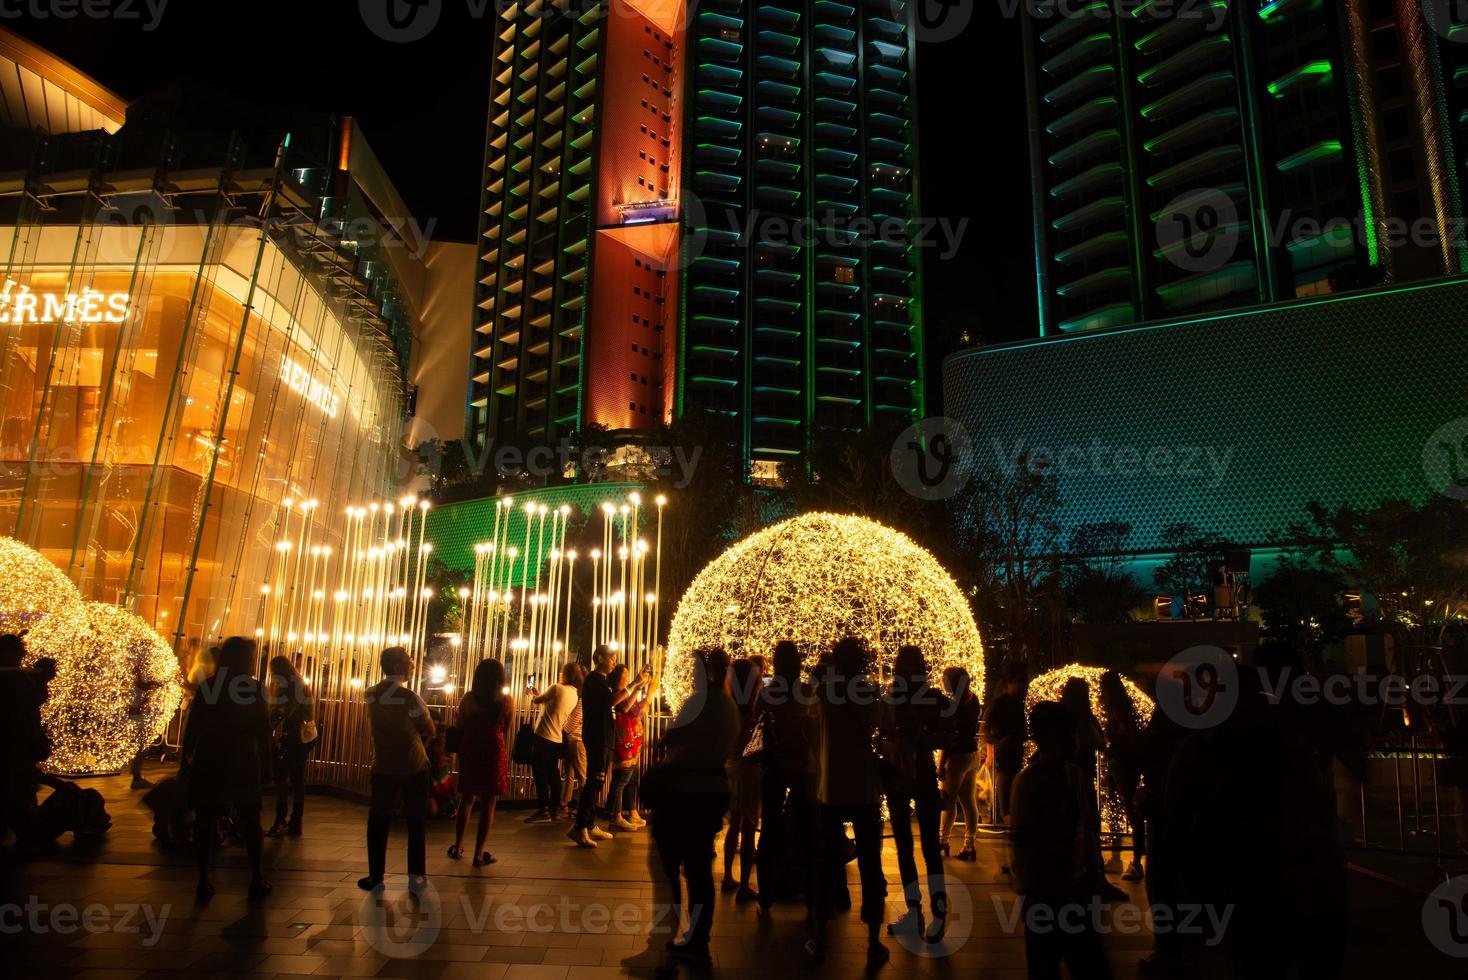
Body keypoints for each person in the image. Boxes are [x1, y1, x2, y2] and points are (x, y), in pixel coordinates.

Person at [648, 647, 741, 965]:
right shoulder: (729, 705)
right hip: (713, 790)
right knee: (699, 868)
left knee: (669, 864)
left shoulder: (699, 701)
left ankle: (673, 930)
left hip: (685, 792)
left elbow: (671, 740)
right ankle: (698, 937)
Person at [1011, 701, 1112, 980]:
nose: (1075, 741)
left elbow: (1086, 826)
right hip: (1047, 891)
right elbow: (1023, 845)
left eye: (1073, 734)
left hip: (1070, 888)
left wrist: (1091, 871)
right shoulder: (1032, 782)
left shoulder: (1072, 775)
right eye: (1068, 734)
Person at [809, 637, 889, 967]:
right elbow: (885, 727)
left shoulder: (824, 691)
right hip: (866, 789)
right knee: (871, 865)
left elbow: (811, 726)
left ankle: (821, 939)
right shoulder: (869, 692)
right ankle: (873, 940)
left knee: (827, 863)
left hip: (832, 788)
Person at [180, 635, 273, 902]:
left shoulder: (210, 686)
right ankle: (256, 876)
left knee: (205, 819)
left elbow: (194, 727)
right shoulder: (253, 689)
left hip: (210, 757)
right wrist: (267, 767)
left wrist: (185, 762)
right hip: (242, 758)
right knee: (251, 818)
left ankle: (204, 879)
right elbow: (262, 731)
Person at [881, 646, 950, 943]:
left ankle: (930, 911)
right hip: (906, 774)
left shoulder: (911, 697)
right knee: (913, 848)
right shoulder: (922, 697)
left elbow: (945, 733)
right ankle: (923, 911)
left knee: (921, 849)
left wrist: (916, 736)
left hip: (911, 775)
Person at [359, 646, 435, 891]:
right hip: (413, 764)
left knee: (379, 819)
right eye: (410, 662)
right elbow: (428, 728)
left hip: (383, 764)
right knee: (415, 820)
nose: (413, 666)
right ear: (398, 667)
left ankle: (375, 874)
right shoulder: (409, 698)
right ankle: (416, 874)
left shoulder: (371, 694)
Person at [755, 640, 817, 915]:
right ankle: (809, 895)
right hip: (802, 766)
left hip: (775, 765)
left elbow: (755, 724)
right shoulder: (806, 691)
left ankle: (766, 897)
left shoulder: (768, 693)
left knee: (769, 827)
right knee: (806, 830)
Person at [449, 658, 511, 867]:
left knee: (466, 798)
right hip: (493, 747)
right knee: (488, 803)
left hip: (471, 745)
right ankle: (478, 852)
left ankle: (457, 846)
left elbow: (459, 724)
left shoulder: (468, 698)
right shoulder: (505, 700)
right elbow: (506, 727)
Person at [1098, 670, 1145, 881]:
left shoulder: (1118, 710)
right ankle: (1121, 858)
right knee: (1120, 808)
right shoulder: (1121, 709)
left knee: (1127, 809)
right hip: (1122, 762)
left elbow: (1127, 732)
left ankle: (1134, 860)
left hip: (1122, 762)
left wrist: (1113, 739)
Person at [722, 657, 763, 900]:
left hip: (731, 766)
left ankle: (728, 875)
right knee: (748, 827)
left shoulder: (727, 706)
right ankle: (745, 884)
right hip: (750, 768)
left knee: (734, 824)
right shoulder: (756, 707)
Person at [571, 645, 618, 847]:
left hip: (604, 737)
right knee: (593, 781)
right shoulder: (593, 680)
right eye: (611, 658)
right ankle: (579, 827)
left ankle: (589, 825)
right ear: (600, 658)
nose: (614, 662)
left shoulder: (601, 681)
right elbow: (611, 701)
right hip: (597, 737)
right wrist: (634, 684)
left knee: (597, 782)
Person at [265, 656, 315, 837]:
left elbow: (286, 710)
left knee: (284, 776)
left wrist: (269, 724)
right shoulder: (297, 683)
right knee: (296, 778)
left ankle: (283, 819)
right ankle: (294, 821)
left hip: (296, 737)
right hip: (303, 736)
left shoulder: (293, 686)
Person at [938, 665, 982, 861]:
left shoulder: (951, 704)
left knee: (947, 800)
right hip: (973, 753)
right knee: (969, 801)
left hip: (956, 757)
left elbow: (948, 737)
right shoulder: (973, 700)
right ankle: (969, 845)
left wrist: (941, 764)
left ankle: (942, 840)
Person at [526, 663, 578, 822]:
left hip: (543, 735)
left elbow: (537, 701)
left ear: (565, 674)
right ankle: (555, 808)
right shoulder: (574, 693)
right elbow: (552, 703)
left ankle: (543, 809)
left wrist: (531, 693)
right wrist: (539, 694)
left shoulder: (556, 687)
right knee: (553, 773)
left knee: (539, 772)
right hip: (556, 737)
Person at [606, 663, 650, 831]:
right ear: (618, 677)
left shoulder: (626, 693)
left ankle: (630, 811)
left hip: (633, 741)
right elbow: (628, 708)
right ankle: (616, 816)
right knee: (621, 780)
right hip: (624, 742)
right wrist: (637, 686)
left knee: (631, 778)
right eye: (625, 675)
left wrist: (639, 687)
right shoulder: (616, 695)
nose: (628, 677)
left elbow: (637, 709)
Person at [558, 663, 586, 817]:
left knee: (580, 775)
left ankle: (579, 806)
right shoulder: (578, 696)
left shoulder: (581, 698)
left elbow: (572, 723)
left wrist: (562, 726)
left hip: (575, 739)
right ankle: (565, 804)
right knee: (572, 772)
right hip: (575, 740)